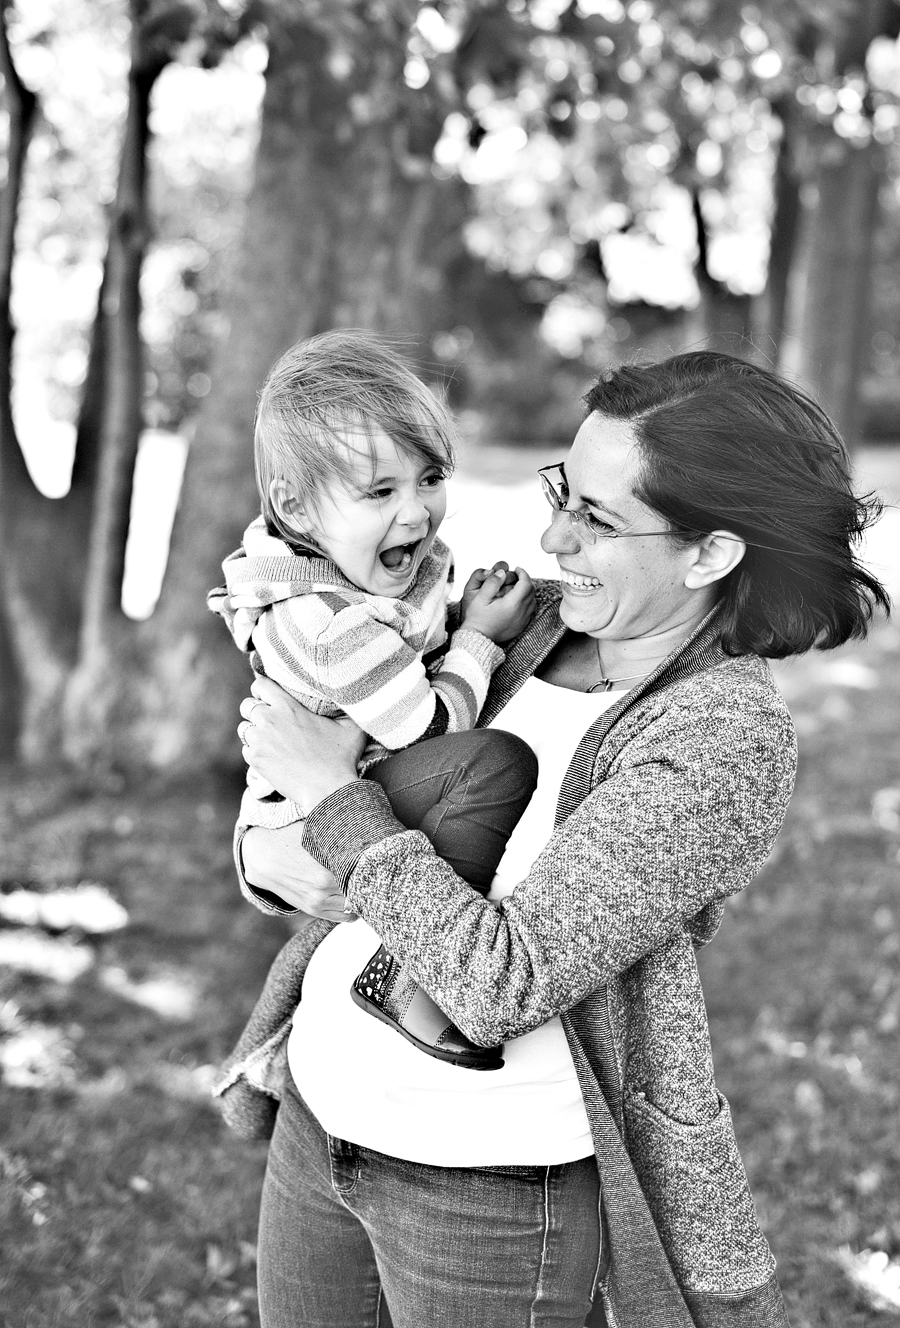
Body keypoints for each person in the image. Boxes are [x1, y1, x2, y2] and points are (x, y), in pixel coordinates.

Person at [216, 352, 890, 1328]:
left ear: (709, 554)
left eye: (598, 520)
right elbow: (301, 789)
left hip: (485, 1183)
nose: (550, 534)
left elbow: (500, 982)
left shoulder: (718, 738)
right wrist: (264, 849)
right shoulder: (521, 618)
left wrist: (330, 800)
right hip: (320, 1116)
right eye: (562, 492)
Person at [208, 329, 537, 1071]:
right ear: (296, 507)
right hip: (320, 816)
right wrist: (479, 637)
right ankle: (412, 976)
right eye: (379, 492)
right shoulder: (333, 625)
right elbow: (434, 729)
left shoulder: (346, 570)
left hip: (329, 801)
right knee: (491, 764)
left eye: (429, 477)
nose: (417, 513)